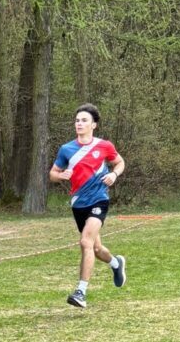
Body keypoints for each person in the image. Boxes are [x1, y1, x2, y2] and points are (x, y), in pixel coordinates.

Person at [49, 104, 126, 309]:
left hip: (99, 199)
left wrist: (114, 174)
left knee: (85, 242)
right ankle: (116, 263)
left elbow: (120, 162)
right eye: (77, 120)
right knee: (96, 248)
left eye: (84, 120)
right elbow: (53, 174)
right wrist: (61, 175)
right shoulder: (66, 149)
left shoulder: (104, 146)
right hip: (78, 203)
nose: (79, 124)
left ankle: (81, 292)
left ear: (94, 125)